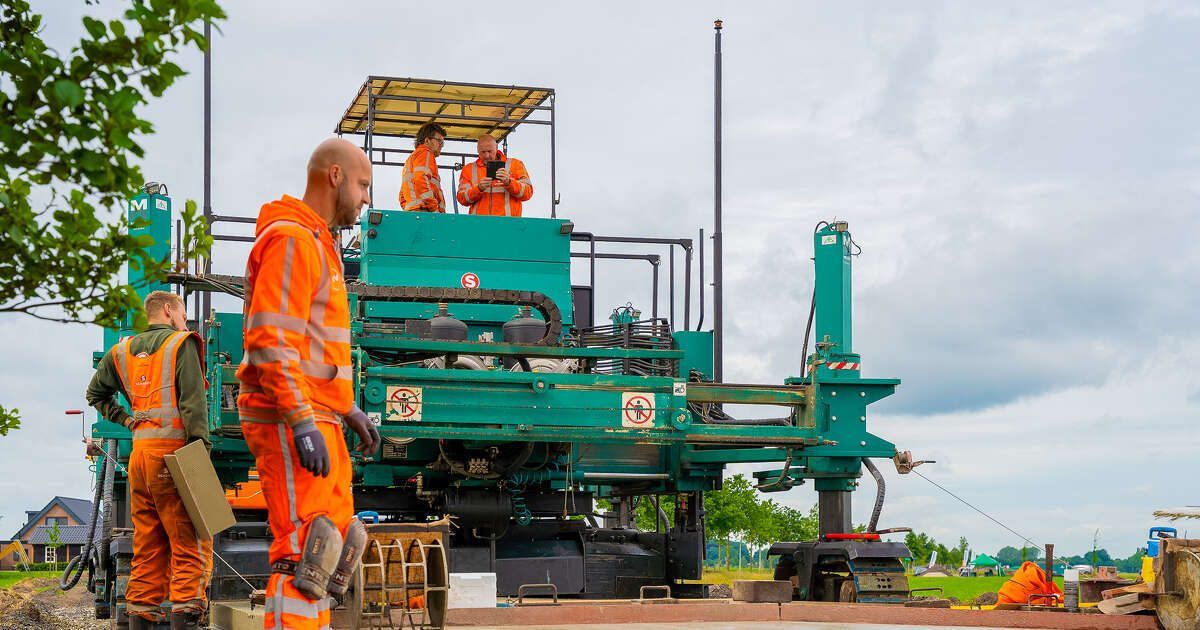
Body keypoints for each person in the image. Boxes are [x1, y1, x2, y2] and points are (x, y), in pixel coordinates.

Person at [237, 137, 382, 630]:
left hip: (319, 412)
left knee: (332, 546)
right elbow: (271, 340)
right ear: (335, 176)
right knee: (303, 552)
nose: (366, 199)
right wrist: (301, 420)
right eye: (363, 185)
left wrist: (346, 408)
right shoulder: (292, 240)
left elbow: (316, 349)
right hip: (289, 413)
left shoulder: (318, 243)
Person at [85, 290, 212, 630]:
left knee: (148, 545)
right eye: (182, 314)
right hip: (176, 456)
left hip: (140, 457)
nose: (184, 321)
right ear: (169, 310)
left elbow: (94, 393)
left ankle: (141, 612)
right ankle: (186, 615)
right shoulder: (182, 343)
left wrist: (127, 420)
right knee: (191, 542)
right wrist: (201, 456)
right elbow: (193, 405)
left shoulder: (121, 351)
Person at [455, 134, 534, 216]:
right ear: (477, 150)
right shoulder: (468, 169)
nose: (486, 156)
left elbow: (528, 193)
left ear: (496, 147)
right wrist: (478, 188)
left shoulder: (515, 164)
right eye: (483, 152)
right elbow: (462, 198)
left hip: (507, 223)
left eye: (490, 151)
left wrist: (509, 182)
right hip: (480, 223)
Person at [399, 122, 447, 212]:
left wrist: (408, 207)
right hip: (425, 211)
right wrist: (434, 208)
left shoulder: (412, 157)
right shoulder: (426, 153)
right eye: (439, 141)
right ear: (427, 141)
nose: (442, 145)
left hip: (414, 211)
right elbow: (421, 179)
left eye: (443, 142)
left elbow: (402, 194)